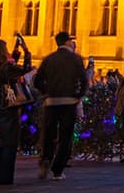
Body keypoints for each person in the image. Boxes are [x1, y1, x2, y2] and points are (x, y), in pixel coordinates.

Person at [33, 31, 88, 181]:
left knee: (49, 134)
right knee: (65, 137)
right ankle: (58, 169)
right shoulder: (75, 59)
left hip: (51, 102)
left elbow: (37, 80)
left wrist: (46, 92)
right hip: (69, 102)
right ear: (67, 42)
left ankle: (45, 159)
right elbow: (84, 80)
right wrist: (78, 95)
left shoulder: (49, 59)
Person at [0, 36, 32, 185]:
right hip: (8, 107)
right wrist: (26, 51)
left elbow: (9, 67)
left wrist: (15, 51)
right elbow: (24, 69)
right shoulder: (7, 68)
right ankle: (5, 177)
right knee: (8, 144)